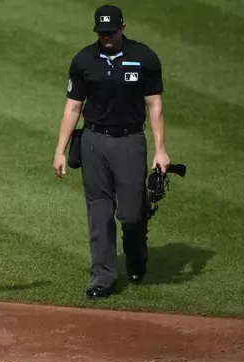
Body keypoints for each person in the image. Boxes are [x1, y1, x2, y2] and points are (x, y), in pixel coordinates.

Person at [53, 4, 171, 299]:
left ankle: (136, 251)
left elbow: (154, 105)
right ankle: (102, 278)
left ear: (123, 28)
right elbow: (73, 106)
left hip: (130, 141)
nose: (106, 36)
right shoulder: (83, 61)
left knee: (131, 214)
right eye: (102, 32)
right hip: (94, 141)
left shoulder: (144, 58)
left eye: (111, 31)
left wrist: (161, 150)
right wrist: (60, 150)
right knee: (99, 211)